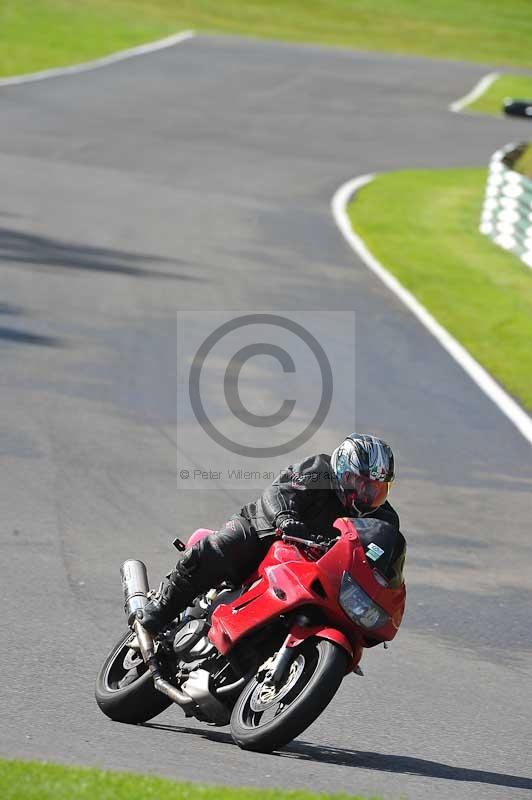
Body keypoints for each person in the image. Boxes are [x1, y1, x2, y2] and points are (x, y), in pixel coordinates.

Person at [139, 432, 406, 634]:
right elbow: (278, 492)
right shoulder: (318, 471)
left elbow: (385, 553)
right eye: (358, 483)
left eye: (375, 489)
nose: (365, 494)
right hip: (268, 533)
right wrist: (285, 518)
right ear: (342, 471)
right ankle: (163, 607)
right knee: (224, 546)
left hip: (316, 568)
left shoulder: (383, 517)